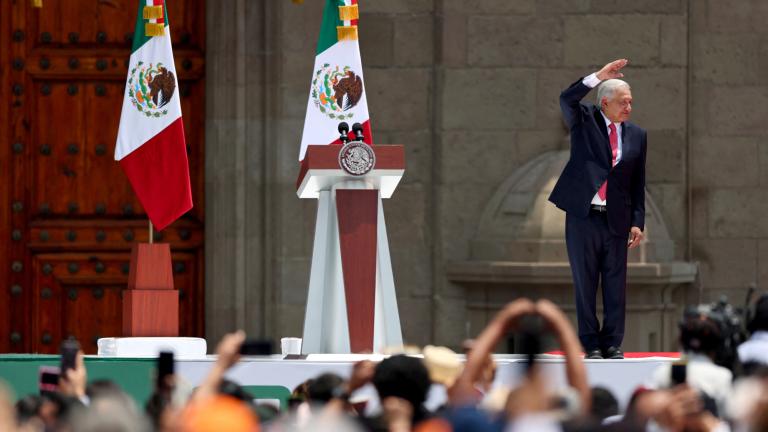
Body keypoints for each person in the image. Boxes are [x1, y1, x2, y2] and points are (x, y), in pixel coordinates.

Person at [549, 58, 647, 360]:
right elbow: (567, 98)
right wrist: (597, 76)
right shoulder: (585, 120)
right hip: (584, 216)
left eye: (630, 102)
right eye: (623, 102)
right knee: (585, 282)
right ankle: (590, 343)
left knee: (616, 284)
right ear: (604, 103)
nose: (628, 107)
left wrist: (637, 221)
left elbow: (637, 182)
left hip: (617, 218)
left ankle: (612, 342)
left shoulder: (637, 135)